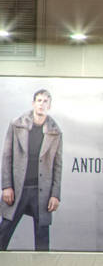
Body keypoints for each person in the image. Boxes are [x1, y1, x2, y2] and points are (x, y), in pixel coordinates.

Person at [1, 89, 62, 251]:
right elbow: (7, 156)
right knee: (4, 230)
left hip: (41, 190)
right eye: (39, 101)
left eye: (45, 102)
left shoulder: (55, 131)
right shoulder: (17, 125)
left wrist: (55, 194)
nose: (41, 105)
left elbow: (57, 165)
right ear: (33, 103)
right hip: (18, 188)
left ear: (49, 106)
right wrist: (6, 186)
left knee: (42, 237)